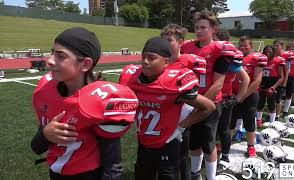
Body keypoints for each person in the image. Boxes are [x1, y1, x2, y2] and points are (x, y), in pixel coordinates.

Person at [31, 27, 139, 179]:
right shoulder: (45, 91)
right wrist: (45, 134)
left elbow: (113, 165)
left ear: (85, 64)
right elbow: (36, 147)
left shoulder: (101, 101)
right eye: (52, 52)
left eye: (60, 56)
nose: (49, 61)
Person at [119, 37, 215, 180]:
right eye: (143, 57)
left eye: (151, 58)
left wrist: (182, 126)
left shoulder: (173, 83)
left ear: (166, 62)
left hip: (167, 142)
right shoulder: (131, 78)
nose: (145, 62)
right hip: (143, 141)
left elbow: (208, 107)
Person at [180, 10, 237, 180]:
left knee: (208, 142)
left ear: (213, 29)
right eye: (197, 27)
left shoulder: (220, 49)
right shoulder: (186, 47)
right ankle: (195, 172)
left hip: (210, 102)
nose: (199, 31)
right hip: (191, 99)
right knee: (194, 142)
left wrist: (199, 104)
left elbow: (218, 83)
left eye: (203, 27)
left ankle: (211, 177)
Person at [160, 23, 207, 180]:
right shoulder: (160, 61)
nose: (165, 43)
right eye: (163, 40)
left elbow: (198, 92)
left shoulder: (190, 61)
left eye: (169, 40)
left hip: (183, 114)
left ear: (180, 42)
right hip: (163, 113)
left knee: (181, 155)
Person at [229, 36, 267, 157]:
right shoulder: (235, 56)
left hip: (249, 95)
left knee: (249, 122)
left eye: (246, 45)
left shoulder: (257, 58)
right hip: (233, 95)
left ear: (251, 46)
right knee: (230, 121)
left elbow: (257, 81)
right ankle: (226, 143)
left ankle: (251, 146)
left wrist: (243, 95)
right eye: (241, 45)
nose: (243, 47)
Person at [216, 50, 250, 171]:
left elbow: (246, 79)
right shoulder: (214, 58)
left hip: (225, 98)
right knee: (208, 130)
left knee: (224, 129)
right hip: (211, 97)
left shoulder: (232, 58)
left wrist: (237, 99)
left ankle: (225, 157)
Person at [256, 45, 284, 127]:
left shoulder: (278, 60)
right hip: (262, 82)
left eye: (270, 52)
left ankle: (272, 123)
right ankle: (258, 120)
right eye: (266, 52)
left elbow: (281, 77)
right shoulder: (261, 59)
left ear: (273, 52)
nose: (268, 53)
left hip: (272, 83)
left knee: (271, 104)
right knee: (260, 103)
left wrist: (273, 87)